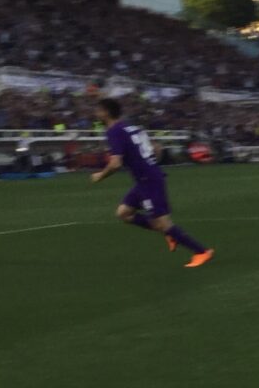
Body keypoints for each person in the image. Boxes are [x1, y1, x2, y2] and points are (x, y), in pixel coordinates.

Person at [91, 97, 214, 268]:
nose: (96, 114)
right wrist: (149, 163)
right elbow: (157, 147)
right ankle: (170, 234)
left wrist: (100, 175)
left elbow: (116, 163)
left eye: (98, 111)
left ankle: (201, 252)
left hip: (148, 180)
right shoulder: (130, 126)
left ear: (106, 113)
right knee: (124, 213)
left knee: (163, 223)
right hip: (146, 177)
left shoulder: (113, 131)